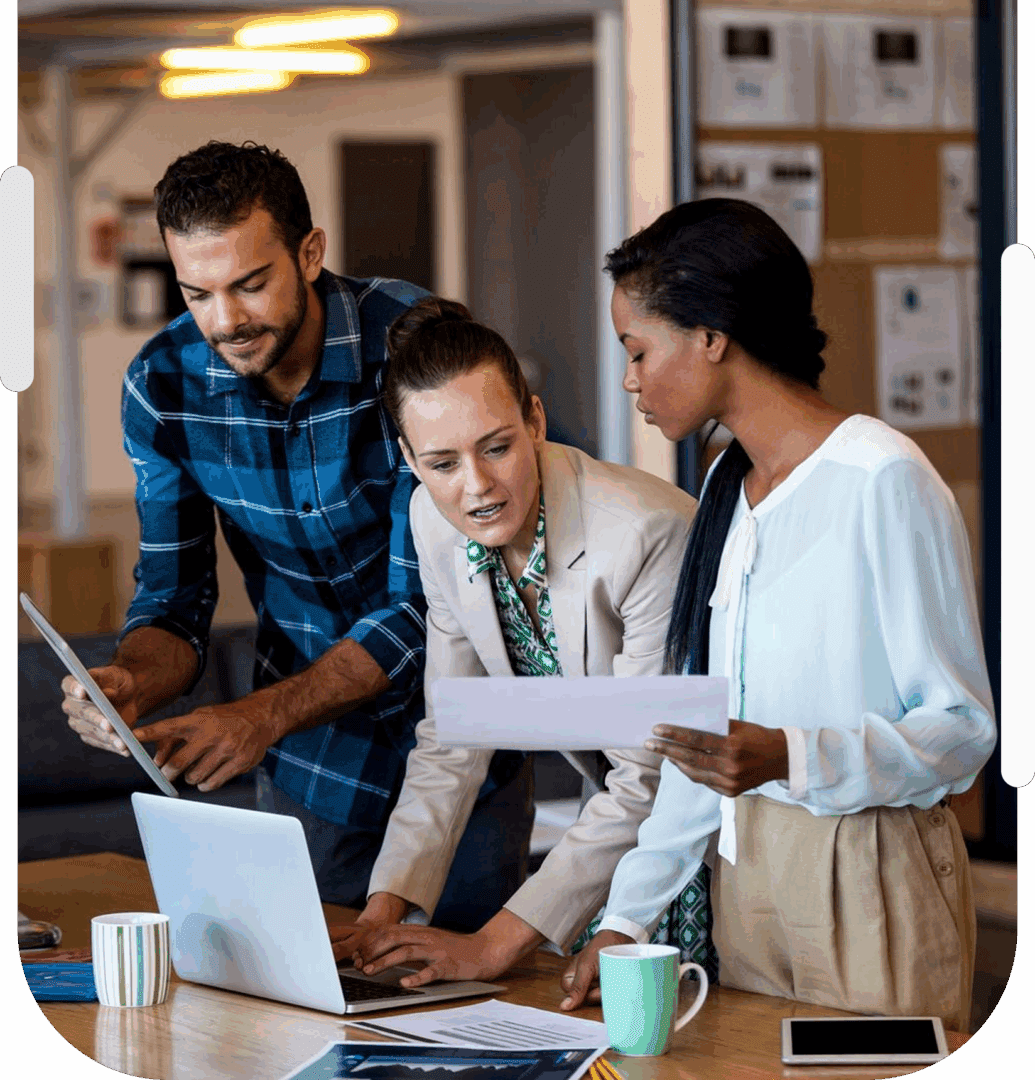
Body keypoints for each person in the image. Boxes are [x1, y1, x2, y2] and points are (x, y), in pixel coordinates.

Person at [60, 141, 533, 930]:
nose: (226, 321)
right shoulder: (163, 384)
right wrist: (132, 683)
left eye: (250, 284)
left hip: (463, 745)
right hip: (313, 767)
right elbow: (174, 595)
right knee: (302, 1010)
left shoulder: (415, 347)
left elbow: (430, 599)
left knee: (482, 1018)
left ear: (310, 253)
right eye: (198, 293)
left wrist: (261, 716)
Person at [557, 198, 996, 1032]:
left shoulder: (880, 478)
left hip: (869, 872)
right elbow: (708, 746)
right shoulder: (726, 486)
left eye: (638, 349)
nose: (629, 379)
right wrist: (624, 918)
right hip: (744, 872)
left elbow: (962, 731)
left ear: (710, 337)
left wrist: (790, 755)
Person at [335, 297, 715, 982]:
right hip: (613, 834)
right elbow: (453, 733)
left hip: (697, 829)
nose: (476, 487)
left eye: (497, 447)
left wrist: (489, 945)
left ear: (534, 421)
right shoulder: (433, 520)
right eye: (442, 462)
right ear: (408, 460)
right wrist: (379, 917)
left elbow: (650, 769)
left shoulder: (643, 532)